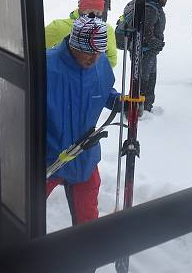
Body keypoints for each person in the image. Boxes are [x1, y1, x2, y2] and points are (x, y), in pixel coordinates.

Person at [46, 15, 120, 226]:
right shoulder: (46, 66)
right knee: (24, 210)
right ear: (73, 44)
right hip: (49, 156)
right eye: (89, 52)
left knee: (88, 217)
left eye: (99, 52)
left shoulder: (100, 64)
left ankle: (87, 248)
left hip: (84, 153)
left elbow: (105, 92)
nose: (94, 58)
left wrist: (120, 102)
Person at [120, 0, 167, 113]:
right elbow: (146, 32)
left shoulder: (148, 6)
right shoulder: (150, 9)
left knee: (142, 79)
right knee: (144, 80)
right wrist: (157, 44)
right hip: (144, 52)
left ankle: (143, 107)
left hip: (143, 51)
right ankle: (141, 109)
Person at [44, 0, 118, 67]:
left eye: (98, 13)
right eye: (90, 12)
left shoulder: (107, 30)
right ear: (81, 10)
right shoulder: (59, 27)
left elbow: (111, 60)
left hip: (91, 78)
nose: (93, 17)